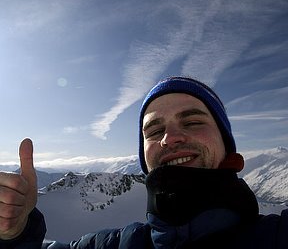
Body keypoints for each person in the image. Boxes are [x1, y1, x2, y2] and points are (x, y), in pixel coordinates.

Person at [0, 76, 287, 249]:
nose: (170, 138)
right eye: (154, 130)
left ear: (226, 144)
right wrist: (14, 235)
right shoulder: (116, 245)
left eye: (193, 121)